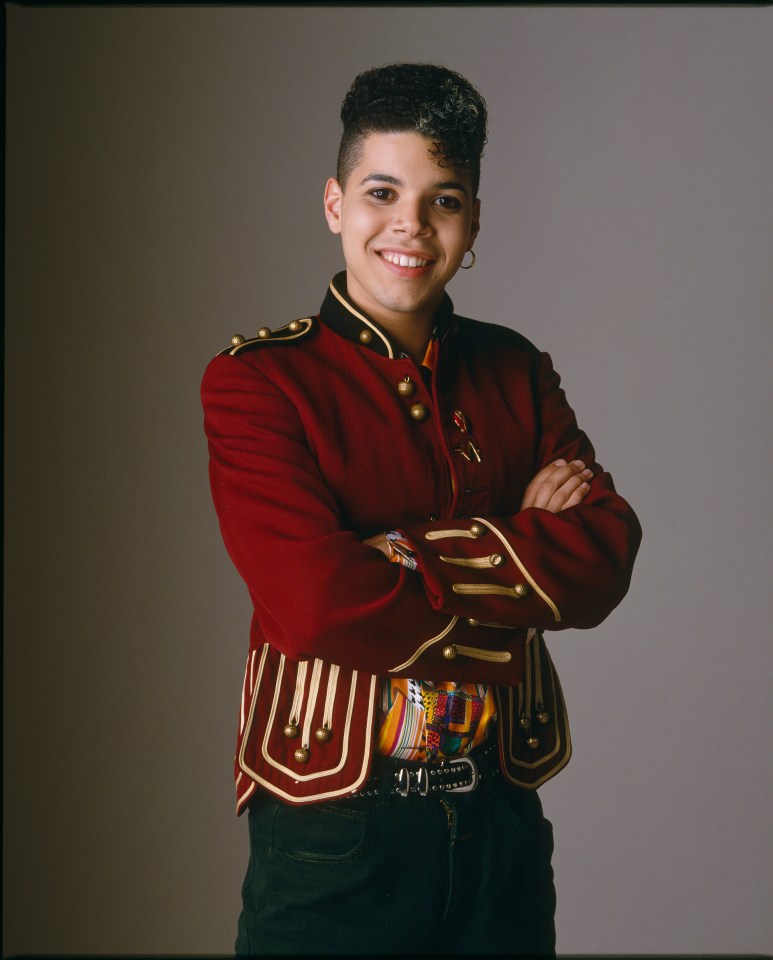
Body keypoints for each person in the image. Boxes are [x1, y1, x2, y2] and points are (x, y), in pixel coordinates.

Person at [202, 62, 641, 957]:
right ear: (334, 205)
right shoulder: (257, 382)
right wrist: (514, 556)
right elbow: (316, 601)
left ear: (472, 220)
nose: (409, 223)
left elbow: (602, 556)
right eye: (380, 192)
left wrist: (394, 555)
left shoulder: (514, 368)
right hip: (334, 831)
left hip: (499, 822)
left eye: (443, 199)